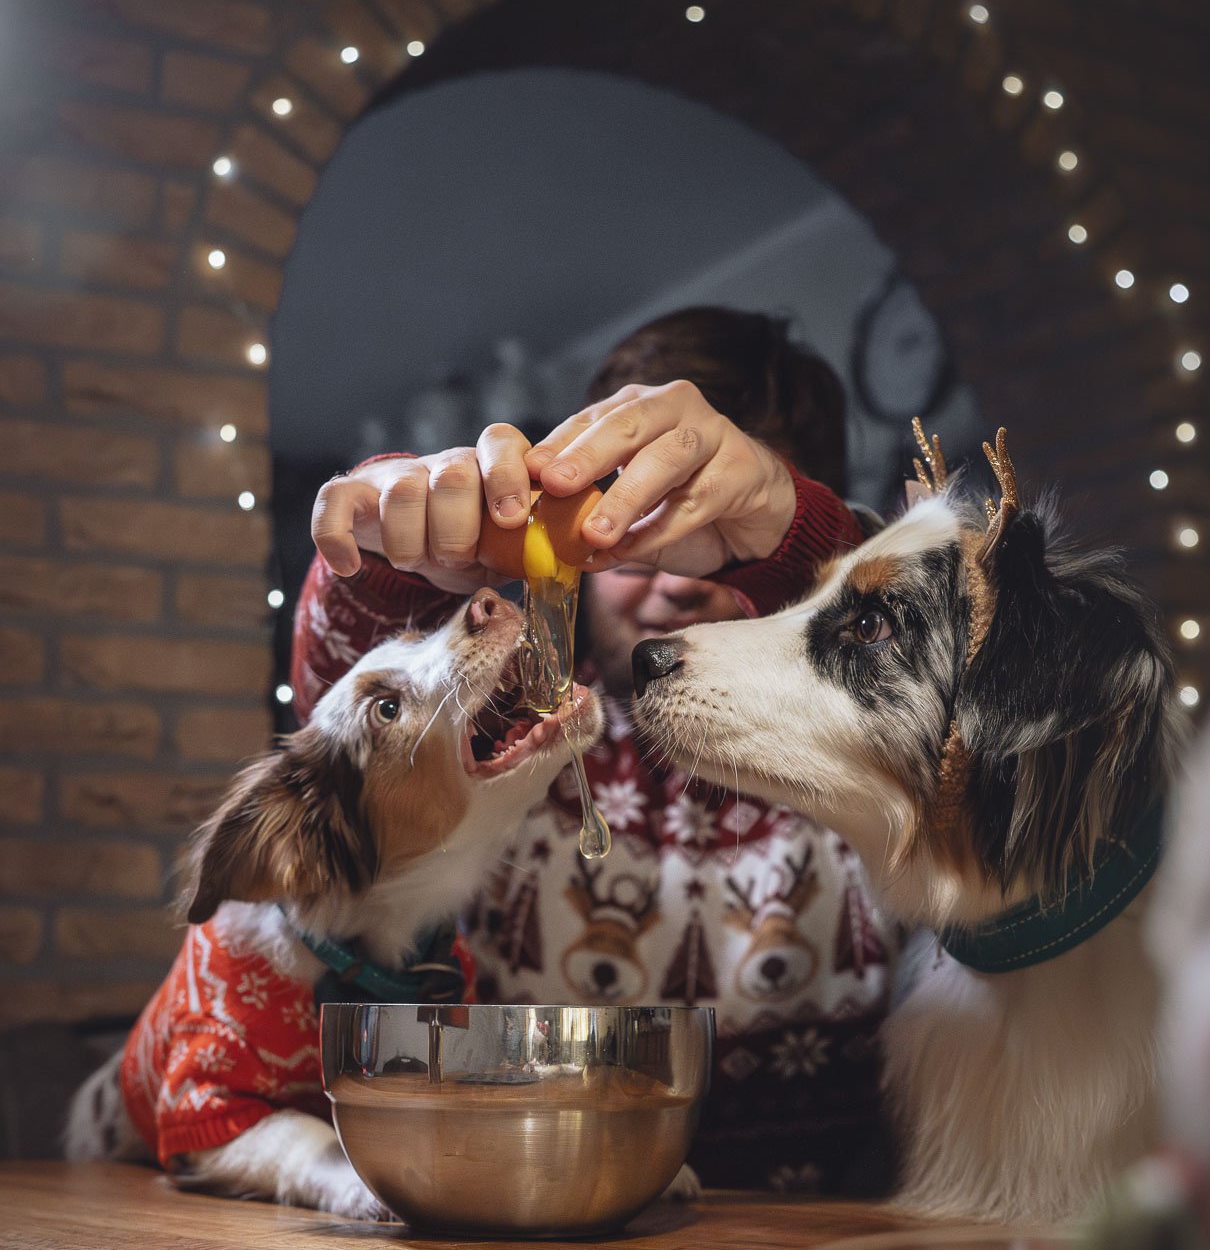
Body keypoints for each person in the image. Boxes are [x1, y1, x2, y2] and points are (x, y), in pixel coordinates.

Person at [295, 308, 896, 1194]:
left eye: (725, 541)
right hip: (512, 1230)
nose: (681, 581)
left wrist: (804, 536)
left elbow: (912, 647)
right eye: (638, 529)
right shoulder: (509, 709)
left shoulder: (874, 728)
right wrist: (389, 541)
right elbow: (344, 706)